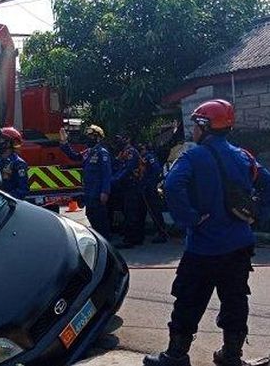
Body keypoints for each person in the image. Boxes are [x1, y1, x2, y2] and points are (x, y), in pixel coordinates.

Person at [144, 100, 270, 366]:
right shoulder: (244, 157)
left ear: (204, 126)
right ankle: (231, 356)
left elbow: (172, 185)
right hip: (238, 246)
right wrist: (256, 215)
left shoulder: (193, 156)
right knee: (235, 299)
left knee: (189, 300)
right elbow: (266, 184)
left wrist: (189, 219)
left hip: (203, 247)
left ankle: (176, 356)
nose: (193, 131)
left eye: (195, 124)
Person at [59, 125, 112, 239]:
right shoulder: (88, 152)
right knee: (91, 216)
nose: (88, 138)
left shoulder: (102, 153)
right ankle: (98, 239)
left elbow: (106, 174)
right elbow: (74, 156)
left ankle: (106, 242)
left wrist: (105, 191)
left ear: (98, 138)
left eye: (91, 136)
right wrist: (64, 143)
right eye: (87, 136)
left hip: (98, 192)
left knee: (100, 219)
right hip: (89, 192)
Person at [112, 133, 145, 249]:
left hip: (132, 185)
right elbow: (118, 167)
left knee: (131, 212)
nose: (118, 142)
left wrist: (114, 180)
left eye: (121, 139)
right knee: (130, 212)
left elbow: (127, 169)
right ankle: (136, 238)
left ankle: (130, 240)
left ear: (127, 139)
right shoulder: (123, 152)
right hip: (127, 186)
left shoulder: (130, 151)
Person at [139, 143, 168, 244]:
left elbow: (157, 170)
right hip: (146, 188)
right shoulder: (145, 157)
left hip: (150, 189)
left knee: (154, 211)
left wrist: (150, 183)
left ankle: (162, 233)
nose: (141, 150)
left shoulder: (149, 157)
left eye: (142, 148)